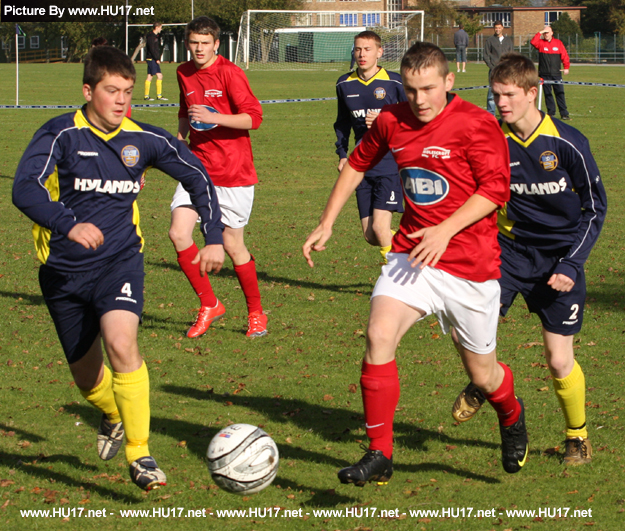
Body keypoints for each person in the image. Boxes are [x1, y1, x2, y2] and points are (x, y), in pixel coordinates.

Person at [304, 42, 528, 486]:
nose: (419, 100)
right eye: (410, 90)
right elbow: (355, 164)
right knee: (378, 333)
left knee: (483, 375)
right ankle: (379, 454)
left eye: (428, 88)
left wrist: (445, 230)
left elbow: (495, 190)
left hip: (469, 265)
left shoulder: (477, 124)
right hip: (412, 256)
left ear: (449, 82)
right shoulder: (392, 120)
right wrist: (327, 222)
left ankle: (511, 413)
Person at [12, 46, 224, 491]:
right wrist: (67, 224)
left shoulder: (145, 138)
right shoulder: (60, 136)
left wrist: (214, 235)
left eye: (128, 91)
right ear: (88, 90)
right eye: (112, 91)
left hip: (119, 261)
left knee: (122, 343)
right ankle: (111, 413)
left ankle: (140, 454)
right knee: (87, 380)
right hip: (62, 272)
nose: (123, 100)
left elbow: (197, 175)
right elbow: (24, 189)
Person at [451, 52, 606, 466]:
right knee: (464, 329)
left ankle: (577, 435)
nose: (500, 103)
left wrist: (572, 264)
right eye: (495, 94)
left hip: (560, 258)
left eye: (508, 95)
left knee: (559, 359)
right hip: (508, 253)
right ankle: (490, 383)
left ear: (532, 92)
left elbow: (595, 209)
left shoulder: (568, 143)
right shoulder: (492, 142)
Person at [169, 16, 267, 339]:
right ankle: (209, 303)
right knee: (179, 232)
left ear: (216, 44)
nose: (199, 48)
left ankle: (256, 313)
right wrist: (175, 149)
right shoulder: (183, 72)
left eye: (205, 43)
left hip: (234, 172)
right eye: (193, 42)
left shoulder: (230, 73)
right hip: (197, 169)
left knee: (232, 244)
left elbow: (254, 118)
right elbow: (185, 114)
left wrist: (216, 117)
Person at [334, 31, 405, 264]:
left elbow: (414, 118)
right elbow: (342, 123)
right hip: (360, 166)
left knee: (381, 227)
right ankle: (410, 248)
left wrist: (387, 119)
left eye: (367, 49)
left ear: (379, 52)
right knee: (371, 235)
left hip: (388, 163)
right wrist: (343, 154)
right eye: (357, 49)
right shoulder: (344, 84)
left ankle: (400, 281)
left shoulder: (394, 82)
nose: (361, 54)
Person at [531, 25, 571, 120]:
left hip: (556, 74)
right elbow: (533, 42)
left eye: (547, 33)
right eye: (544, 33)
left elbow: (564, 55)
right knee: (548, 94)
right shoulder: (540, 43)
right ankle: (551, 113)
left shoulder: (558, 43)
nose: (546, 35)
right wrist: (540, 32)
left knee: (560, 93)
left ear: (552, 33)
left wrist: (566, 67)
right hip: (544, 74)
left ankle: (564, 113)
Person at [484, 20, 513, 115]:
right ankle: (491, 113)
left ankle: (506, 111)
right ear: (494, 28)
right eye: (496, 28)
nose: (497, 29)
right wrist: (492, 66)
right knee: (492, 93)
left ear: (502, 28)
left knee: (507, 91)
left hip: (506, 71)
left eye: (499, 27)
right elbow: (486, 55)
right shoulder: (490, 40)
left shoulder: (508, 41)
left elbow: (511, 55)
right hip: (494, 71)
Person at [144, 22, 167, 101]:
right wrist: (156, 58)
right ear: (157, 27)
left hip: (153, 58)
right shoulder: (151, 37)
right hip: (151, 59)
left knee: (150, 76)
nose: (161, 29)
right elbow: (151, 49)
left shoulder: (155, 36)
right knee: (159, 76)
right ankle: (158, 96)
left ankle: (147, 96)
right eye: (161, 27)